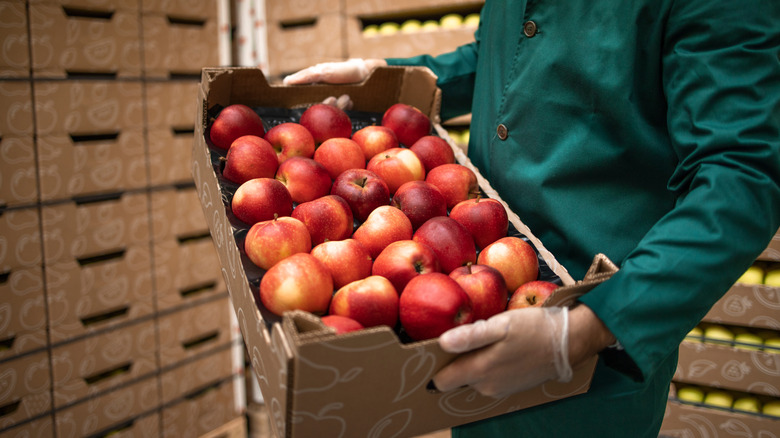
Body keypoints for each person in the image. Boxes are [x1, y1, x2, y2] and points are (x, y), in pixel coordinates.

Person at [283, 1, 780, 436]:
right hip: (464, 305)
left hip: (589, 359)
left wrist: (585, 330)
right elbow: (517, 59)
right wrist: (394, 73)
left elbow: (742, 174)